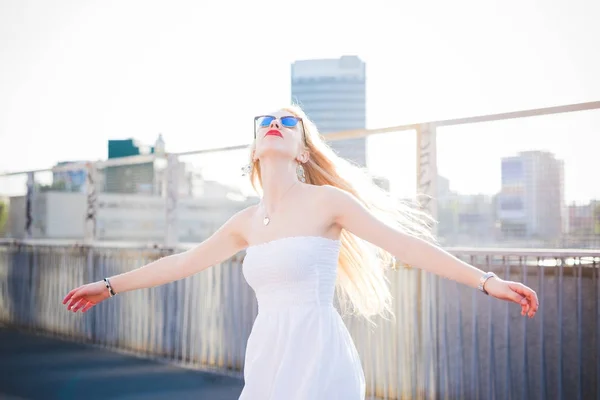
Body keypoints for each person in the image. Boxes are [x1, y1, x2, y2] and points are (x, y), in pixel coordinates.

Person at [63, 106, 539, 400]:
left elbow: (406, 246)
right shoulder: (245, 222)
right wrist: (109, 286)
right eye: (266, 121)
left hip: (318, 355)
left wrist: (487, 281)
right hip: (268, 353)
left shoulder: (327, 203)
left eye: (288, 122)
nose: (275, 124)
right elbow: (181, 263)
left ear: (303, 152)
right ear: (253, 150)